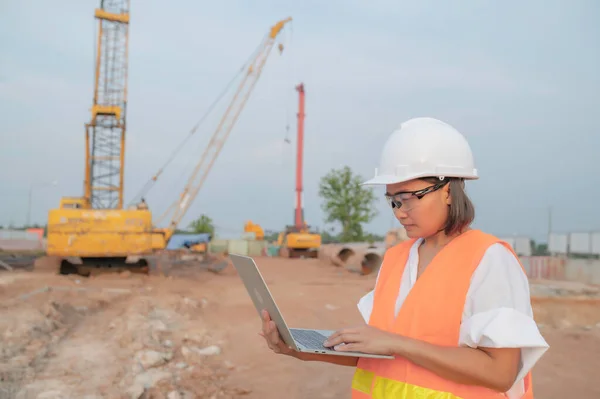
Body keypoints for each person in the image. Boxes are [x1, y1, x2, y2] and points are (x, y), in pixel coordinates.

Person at [259, 117, 549, 399]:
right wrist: (298, 349)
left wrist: (398, 343)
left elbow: (500, 373)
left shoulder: (488, 259)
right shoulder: (397, 258)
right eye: (393, 200)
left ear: (447, 190)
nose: (399, 211)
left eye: (408, 197)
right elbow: (381, 356)